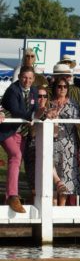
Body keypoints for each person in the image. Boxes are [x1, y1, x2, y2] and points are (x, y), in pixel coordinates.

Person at [0, 65, 37, 212]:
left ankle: (8, 197)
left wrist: (40, 113)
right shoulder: (12, 90)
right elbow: (16, 111)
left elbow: (34, 108)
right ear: (19, 77)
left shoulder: (34, 91)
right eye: (24, 77)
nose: (27, 81)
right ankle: (13, 196)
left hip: (21, 132)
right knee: (16, 156)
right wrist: (34, 116)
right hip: (6, 131)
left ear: (33, 79)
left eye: (30, 78)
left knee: (16, 160)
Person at [48, 74, 80, 205]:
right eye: (59, 86)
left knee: (66, 177)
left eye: (65, 87)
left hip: (69, 144)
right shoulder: (49, 104)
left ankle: (61, 209)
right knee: (52, 176)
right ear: (55, 88)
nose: (62, 89)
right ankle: (53, 208)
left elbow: (78, 123)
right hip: (52, 143)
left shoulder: (73, 104)